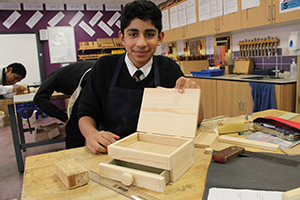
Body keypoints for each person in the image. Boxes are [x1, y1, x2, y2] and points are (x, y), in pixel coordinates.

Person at [78, 0, 204, 154]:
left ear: (160, 38)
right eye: (133, 34)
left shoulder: (169, 68)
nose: (141, 43)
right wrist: (92, 134)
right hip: (111, 151)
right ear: (122, 38)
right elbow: (85, 114)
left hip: (157, 151)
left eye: (149, 34)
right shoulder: (104, 67)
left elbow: (195, 121)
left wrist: (194, 99)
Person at [33, 60, 95, 149]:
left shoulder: (53, 77)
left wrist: (64, 118)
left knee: (74, 125)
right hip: (100, 72)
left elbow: (39, 98)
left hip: (91, 76)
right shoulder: (68, 73)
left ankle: (74, 157)